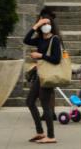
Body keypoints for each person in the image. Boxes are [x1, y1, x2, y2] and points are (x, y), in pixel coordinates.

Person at [22, 9, 64, 144]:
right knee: (30, 101)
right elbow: (26, 40)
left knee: (45, 105)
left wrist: (41, 56)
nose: (45, 26)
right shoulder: (40, 39)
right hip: (40, 75)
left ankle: (51, 136)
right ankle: (40, 132)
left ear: (51, 24)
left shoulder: (55, 39)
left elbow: (57, 59)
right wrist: (36, 25)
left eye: (47, 23)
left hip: (49, 75)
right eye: (43, 24)